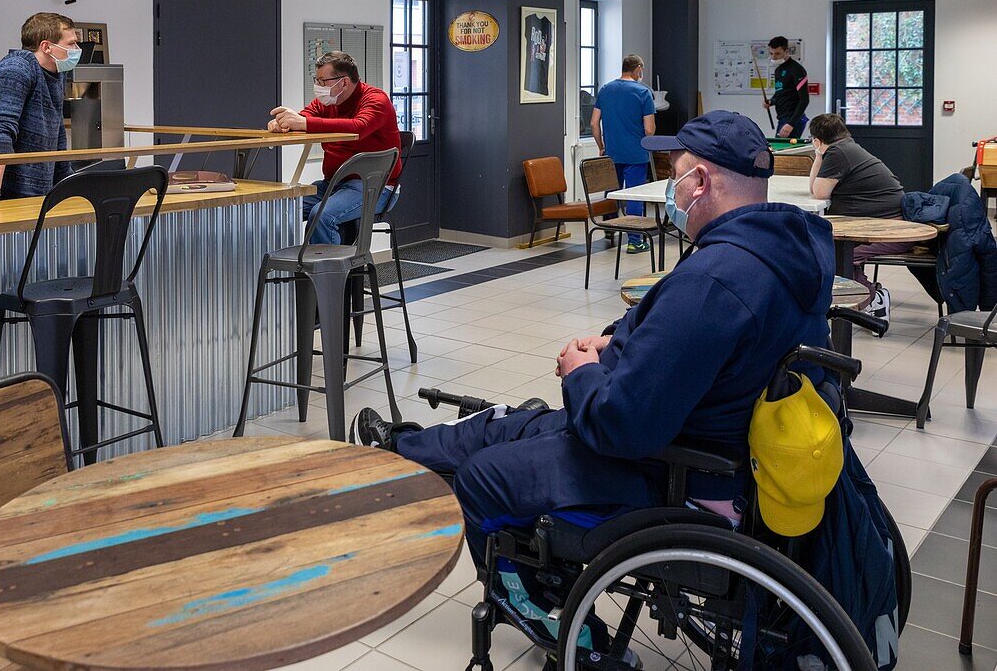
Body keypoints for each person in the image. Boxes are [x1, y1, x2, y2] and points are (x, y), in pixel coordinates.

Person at [350, 112, 835, 640]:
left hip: (673, 472)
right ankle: (396, 454)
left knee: (485, 476)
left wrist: (580, 371)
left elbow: (618, 426)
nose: (674, 188)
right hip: (706, 438)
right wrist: (618, 341)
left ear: (699, 182)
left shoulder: (716, 279)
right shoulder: (781, 250)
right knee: (511, 423)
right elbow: (687, 342)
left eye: (677, 175)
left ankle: (547, 618)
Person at [269, 52, 401, 245]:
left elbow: (359, 127)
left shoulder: (375, 99)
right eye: (317, 80)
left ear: (344, 82)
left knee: (322, 216)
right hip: (333, 184)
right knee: (279, 211)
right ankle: (287, 268)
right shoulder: (327, 103)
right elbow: (302, 118)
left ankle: (326, 274)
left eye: (323, 81)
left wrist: (302, 123)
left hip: (374, 186)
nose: (318, 87)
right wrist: (282, 124)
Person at [0, 13, 79, 206]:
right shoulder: (16, 69)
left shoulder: (57, 73)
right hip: (6, 193)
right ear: (47, 47)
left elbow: (57, 133)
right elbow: (0, 129)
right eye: (71, 43)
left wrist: (70, 185)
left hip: (39, 189)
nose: (76, 50)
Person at [808, 113, 906, 321]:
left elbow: (818, 192)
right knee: (835, 250)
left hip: (893, 231)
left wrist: (818, 154)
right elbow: (816, 189)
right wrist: (819, 154)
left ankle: (874, 298)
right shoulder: (846, 147)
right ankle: (869, 296)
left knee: (836, 256)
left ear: (818, 140)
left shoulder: (837, 153)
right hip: (887, 225)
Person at [591, 54, 656, 254]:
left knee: (611, 191)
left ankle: (609, 229)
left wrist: (601, 146)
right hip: (636, 152)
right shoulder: (643, 92)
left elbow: (594, 123)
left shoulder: (605, 90)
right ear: (637, 69)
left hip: (612, 152)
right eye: (641, 70)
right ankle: (634, 240)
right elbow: (650, 129)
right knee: (634, 195)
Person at [762, 36, 810, 139]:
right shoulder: (778, 70)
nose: (774, 57)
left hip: (793, 119)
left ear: (786, 51)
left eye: (777, 53)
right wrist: (771, 101)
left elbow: (805, 100)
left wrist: (791, 124)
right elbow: (780, 93)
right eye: (771, 54)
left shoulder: (797, 69)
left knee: (781, 153)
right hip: (783, 117)